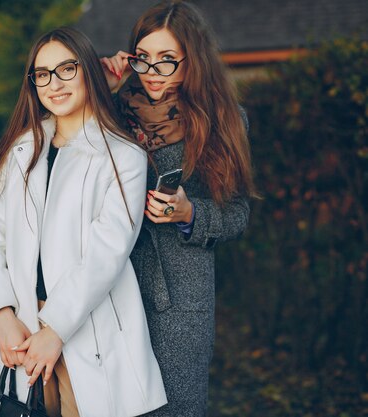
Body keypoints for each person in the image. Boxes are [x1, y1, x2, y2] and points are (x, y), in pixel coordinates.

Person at [0, 27, 167, 417]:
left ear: (87, 72)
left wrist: (56, 330)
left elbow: (106, 254)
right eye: (42, 74)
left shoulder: (122, 156)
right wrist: (2, 315)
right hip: (20, 329)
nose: (54, 84)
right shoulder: (21, 148)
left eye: (66, 69)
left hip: (84, 328)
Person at [101, 2, 258, 416]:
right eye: (144, 58)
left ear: (194, 60)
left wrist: (190, 214)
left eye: (167, 60)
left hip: (181, 303)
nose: (152, 72)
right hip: (109, 288)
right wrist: (96, 91)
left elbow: (238, 213)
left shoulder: (223, 120)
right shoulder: (109, 114)